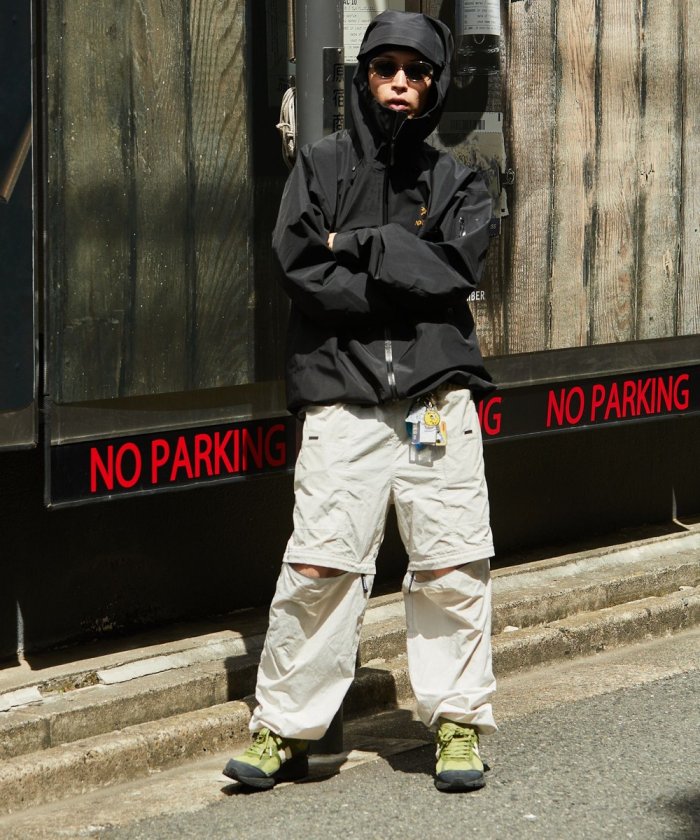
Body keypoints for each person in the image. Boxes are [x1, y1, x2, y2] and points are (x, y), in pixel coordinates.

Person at [223, 10, 497, 794]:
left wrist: (363, 244)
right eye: (386, 69)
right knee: (320, 565)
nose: (401, 83)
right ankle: (285, 729)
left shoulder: (460, 180)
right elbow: (301, 269)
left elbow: (456, 271)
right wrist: (405, 269)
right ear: (364, 78)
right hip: (342, 395)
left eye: (417, 72)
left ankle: (457, 724)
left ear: (434, 87)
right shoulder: (319, 166)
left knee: (452, 564)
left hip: (434, 399)